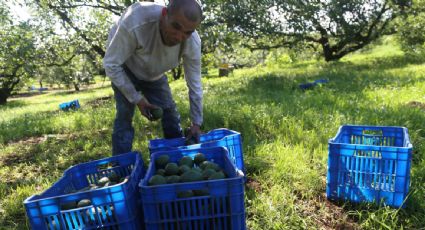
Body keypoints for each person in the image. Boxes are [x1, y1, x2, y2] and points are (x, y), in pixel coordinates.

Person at [103, 0, 203, 155]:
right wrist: (137, 99)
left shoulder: (192, 42)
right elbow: (111, 64)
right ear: (164, 14)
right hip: (124, 67)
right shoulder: (135, 22)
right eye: (176, 26)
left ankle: (177, 156)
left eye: (187, 32)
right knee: (124, 115)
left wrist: (196, 122)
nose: (179, 36)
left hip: (154, 73)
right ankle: (121, 163)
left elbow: (195, 83)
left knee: (169, 111)